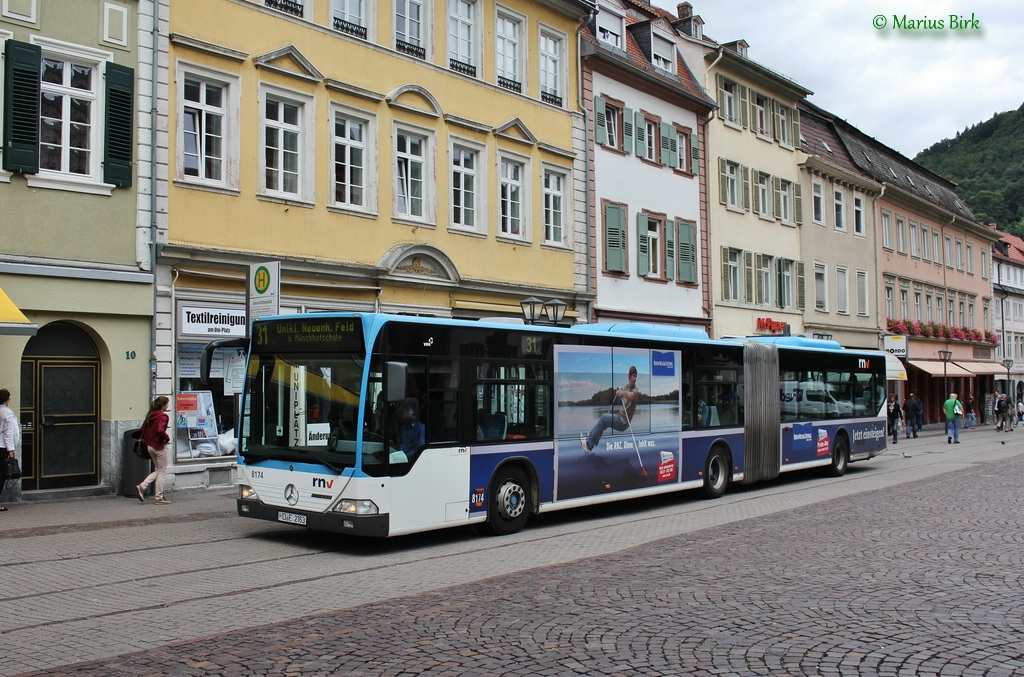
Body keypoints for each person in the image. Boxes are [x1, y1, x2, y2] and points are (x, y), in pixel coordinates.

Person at [580, 365, 640, 454]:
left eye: (635, 376)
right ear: (629, 376)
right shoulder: (626, 387)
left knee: (604, 418)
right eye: (633, 376)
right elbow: (622, 391)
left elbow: (630, 396)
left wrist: (621, 392)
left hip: (623, 422)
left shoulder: (635, 391)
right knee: (602, 422)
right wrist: (618, 391)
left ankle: (588, 445)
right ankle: (591, 439)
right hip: (619, 416)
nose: (634, 378)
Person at [137, 396, 172, 504]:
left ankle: (143, 486)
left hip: (149, 446)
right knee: (162, 471)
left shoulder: (150, 415)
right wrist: (167, 438)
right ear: (163, 405)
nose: (168, 406)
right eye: (167, 404)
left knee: (158, 470)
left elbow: (142, 429)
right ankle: (159, 497)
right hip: (158, 446)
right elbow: (160, 430)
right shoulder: (163, 416)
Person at [0, 389, 20, 513]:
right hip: (2, 447)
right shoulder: (7, 413)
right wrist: (11, 450)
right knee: (1, 475)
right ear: (7, 399)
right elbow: (9, 432)